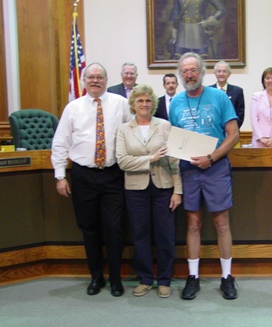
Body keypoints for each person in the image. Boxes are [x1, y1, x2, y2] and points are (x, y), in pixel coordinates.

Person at [51, 62, 131, 297]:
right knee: (89, 229)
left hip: (113, 175)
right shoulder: (72, 108)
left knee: (115, 228)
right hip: (83, 175)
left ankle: (116, 278)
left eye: (100, 77)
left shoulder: (121, 104)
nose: (95, 80)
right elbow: (60, 143)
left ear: (107, 80)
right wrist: (59, 175)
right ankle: (97, 277)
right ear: (84, 80)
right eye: (91, 77)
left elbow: (133, 132)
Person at [169, 52, 240, 300]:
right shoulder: (175, 102)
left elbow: (234, 134)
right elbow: (175, 138)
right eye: (185, 71)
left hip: (216, 168)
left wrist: (212, 157)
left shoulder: (219, 97)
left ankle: (227, 277)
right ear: (181, 75)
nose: (189, 75)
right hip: (188, 170)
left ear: (202, 72)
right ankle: (193, 277)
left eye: (193, 70)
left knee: (221, 223)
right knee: (193, 224)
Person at [116, 84, 182, 298]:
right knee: (140, 235)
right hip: (136, 190)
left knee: (165, 236)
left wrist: (177, 191)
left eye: (148, 100)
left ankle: (164, 280)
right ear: (133, 105)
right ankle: (145, 279)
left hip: (164, 188)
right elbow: (123, 162)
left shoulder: (164, 126)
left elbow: (174, 161)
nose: (144, 104)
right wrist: (150, 159)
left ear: (153, 104)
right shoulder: (123, 129)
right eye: (140, 101)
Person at [209, 60, 245, 129]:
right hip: (213, 132)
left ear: (229, 74)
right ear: (215, 73)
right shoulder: (208, 91)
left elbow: (240, 115)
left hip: (231, 133)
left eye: (224, 71)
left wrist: (231, 131)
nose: (221, 74)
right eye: (219, 71)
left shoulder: (237, 91)